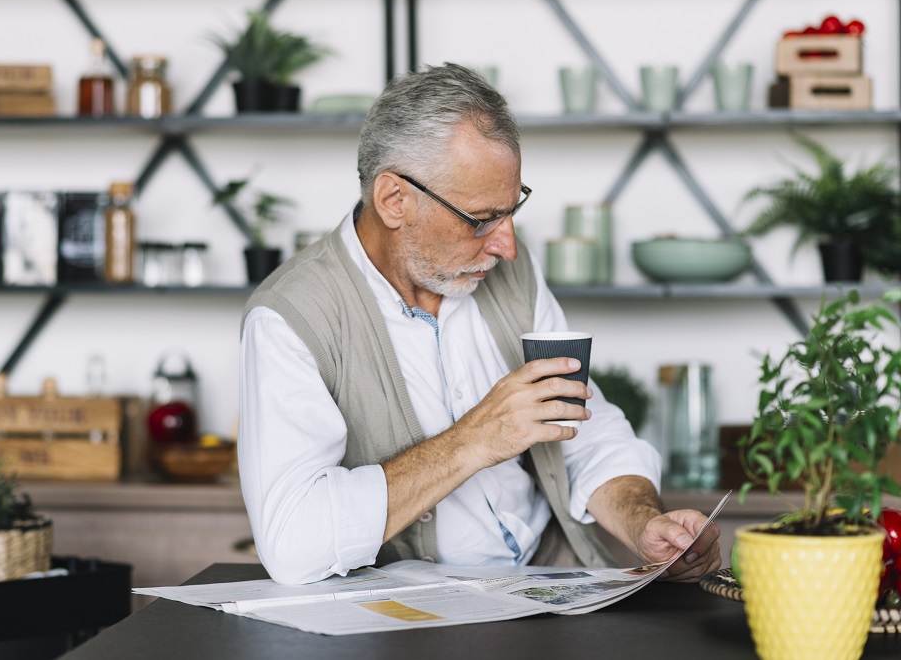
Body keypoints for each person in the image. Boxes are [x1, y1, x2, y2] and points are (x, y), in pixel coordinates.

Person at [238, 63, 721, 586]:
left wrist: (644, 522)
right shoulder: (290, 317)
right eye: (481, 219)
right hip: (402, 626)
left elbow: (583, 425)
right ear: (394, 200)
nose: (507, 246)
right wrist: (471, 441)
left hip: (547, 590)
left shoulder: (509, 271)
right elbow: (292, 541)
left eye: (512, 211)